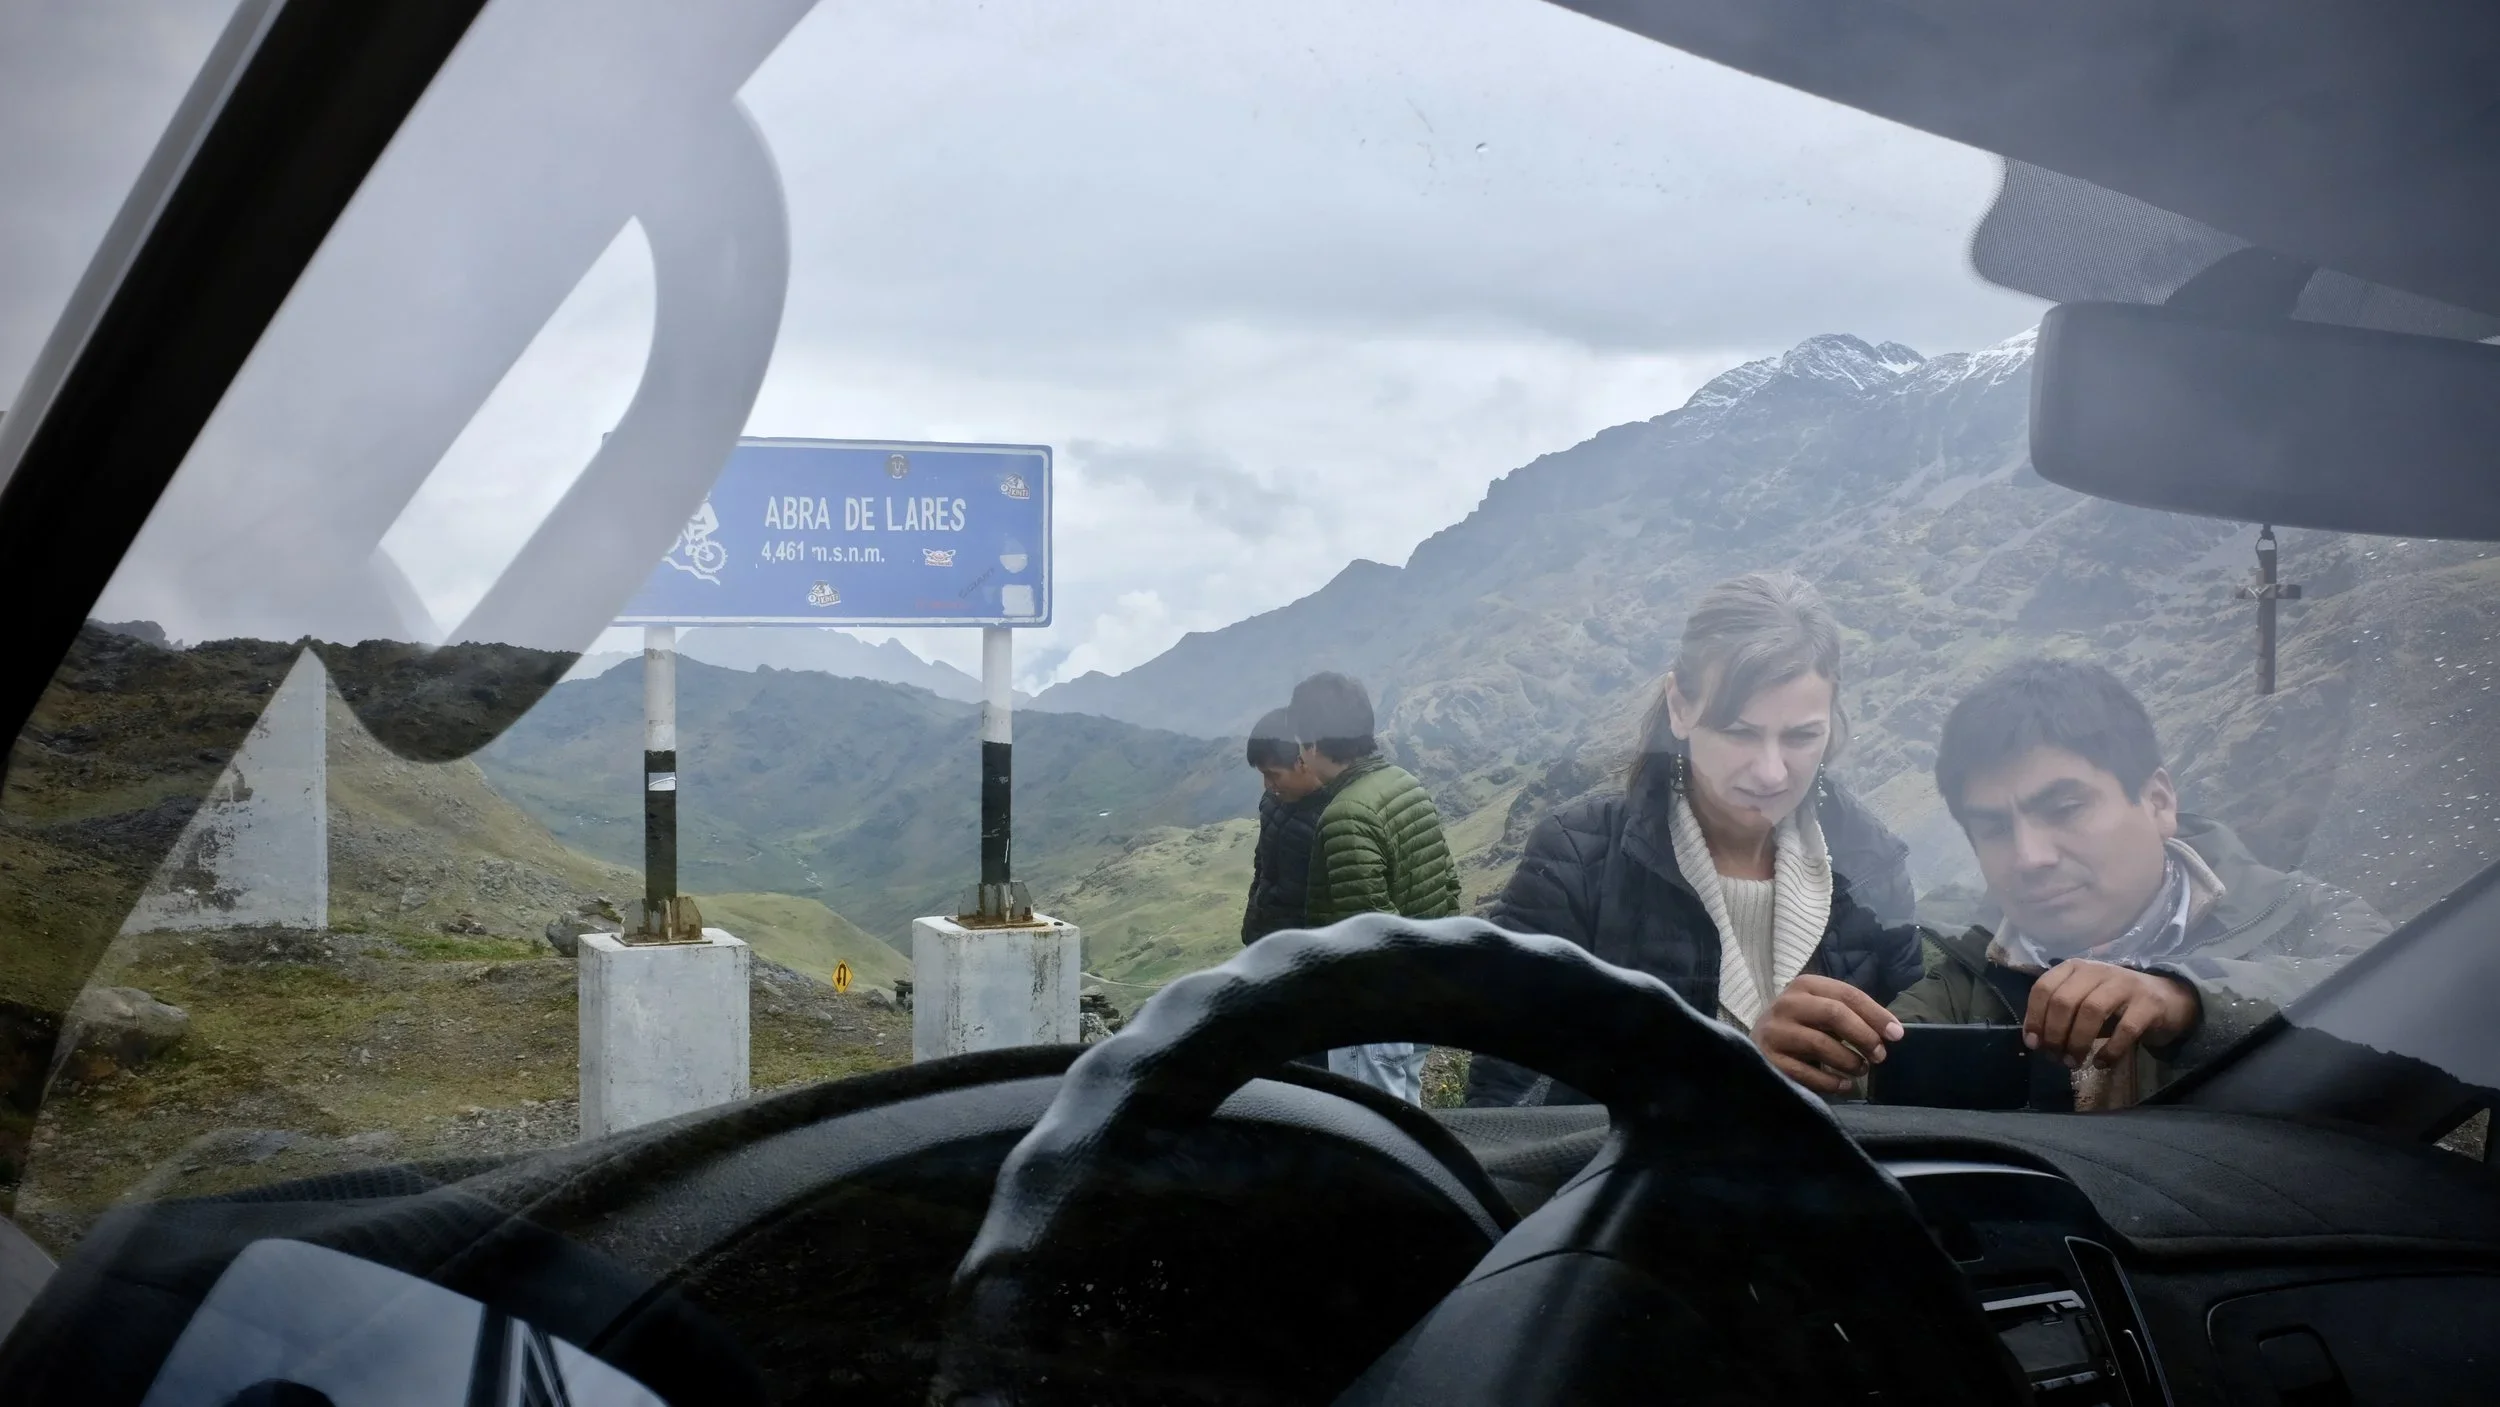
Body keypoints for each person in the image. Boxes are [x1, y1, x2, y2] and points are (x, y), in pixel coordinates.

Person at [1754, 658, 2390, 1110]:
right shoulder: (1948, 971)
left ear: (2158, 800)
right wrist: (1781, 1078)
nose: (2030, 857)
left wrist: (2186, 1000)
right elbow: (1862, 1109)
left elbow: (2401, 1018)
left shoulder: (2308, 916)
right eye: (1994, 828)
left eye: (2065, 809)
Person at [1465, 571, 1923, 1108]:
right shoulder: (1577, 861)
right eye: (1739, 732)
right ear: (1679, 707)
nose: (1771, 772)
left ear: (1833, 718)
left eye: (1802, 736)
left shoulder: (1873, 865)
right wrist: (1724, 1074)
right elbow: (1507, 1111)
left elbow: (1919, 1086)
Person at [1291, 671, 1460, 1104]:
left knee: (1371, 1121)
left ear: (1313, 744)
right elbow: (1448, 880)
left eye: (1300, 745)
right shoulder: (1405, 783)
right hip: (1424, 987)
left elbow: (1369, 931)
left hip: (1373, 1008)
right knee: (1407, 1110)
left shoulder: (1345, 814)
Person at [1241, 708, 1327, 945]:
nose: (1267, 785)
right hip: (1264, 942)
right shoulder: (1271, 803)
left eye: (1273, 775)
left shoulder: (1333, 817)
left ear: (1303, 761)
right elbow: (1262, 867)